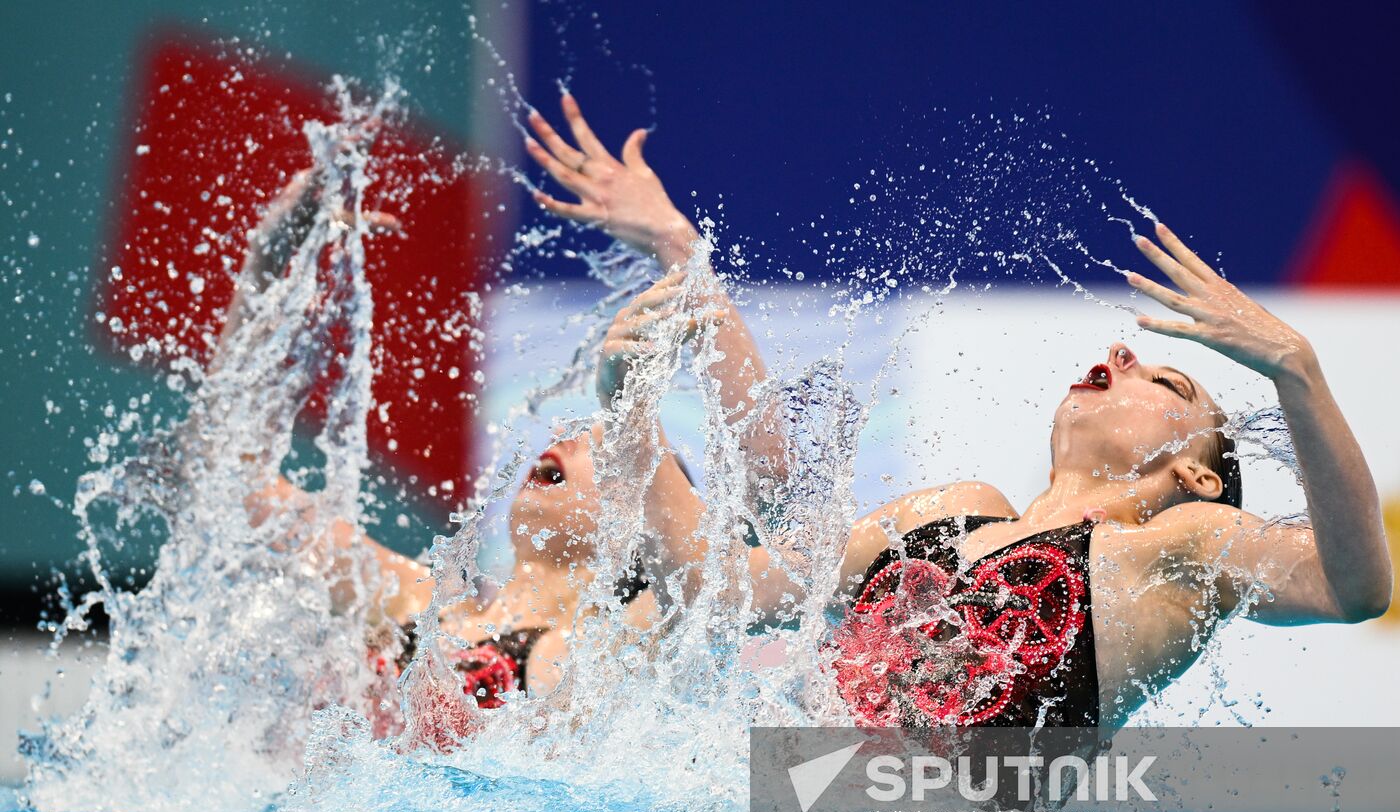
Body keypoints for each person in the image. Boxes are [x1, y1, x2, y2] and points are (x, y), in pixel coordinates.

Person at [530, 99, 1393, 731]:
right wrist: (630, 398)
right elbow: (711, 585)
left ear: (1194, 476)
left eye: (1169, 385)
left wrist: (1296, 369)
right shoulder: (946, 512)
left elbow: (1351, 587)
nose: (1125, 355)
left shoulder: (1179, 549)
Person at [214, 116, 774, 726]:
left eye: (605, 447)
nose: (568, 438)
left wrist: (678, 247)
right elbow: (230, 484)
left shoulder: (624, 642)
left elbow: (728, 562)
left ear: (643, 524)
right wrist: (269, 266)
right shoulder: (411, 601)